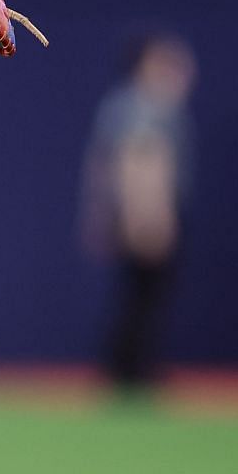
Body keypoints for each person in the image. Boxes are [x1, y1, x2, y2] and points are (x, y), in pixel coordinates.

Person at [80, 33, 196, 390]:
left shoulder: (127, 105)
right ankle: (132, 370)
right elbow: (138, 164)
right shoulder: (144, 107)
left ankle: (126, 367)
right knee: (143, 297)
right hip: (144, 216)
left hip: (131, 215)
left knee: (137, 295)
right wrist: (147, 216)